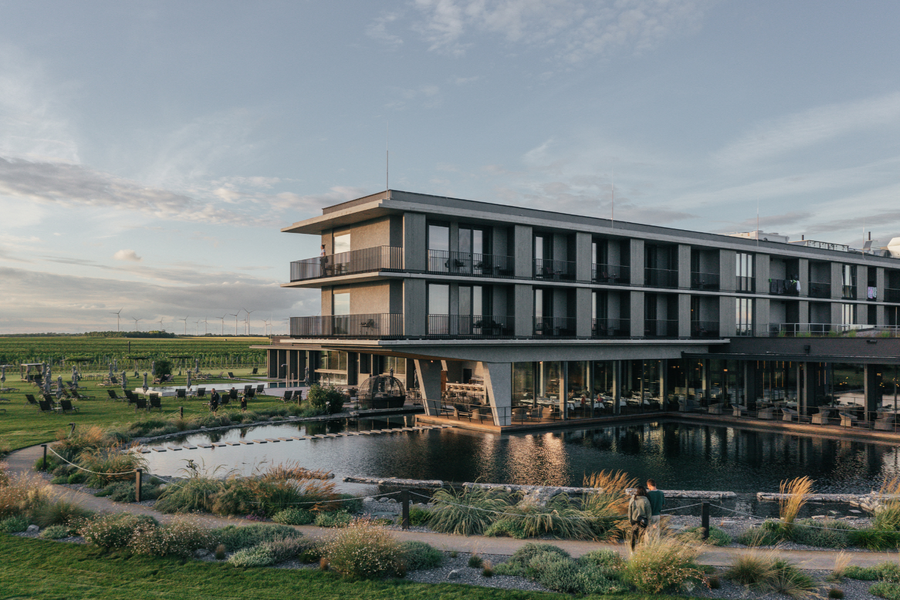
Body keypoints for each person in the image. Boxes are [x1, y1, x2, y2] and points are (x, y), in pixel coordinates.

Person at [628, 485, 651, 550]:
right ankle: (641, 550)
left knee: (633, 536)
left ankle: (632, 550)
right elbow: (648, 512)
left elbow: (629, 510)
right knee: (642, 536)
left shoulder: (633, 499)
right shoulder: (645, 500)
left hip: (634, 520)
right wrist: (649, 521)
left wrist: (630, 520)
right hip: (643, 520)